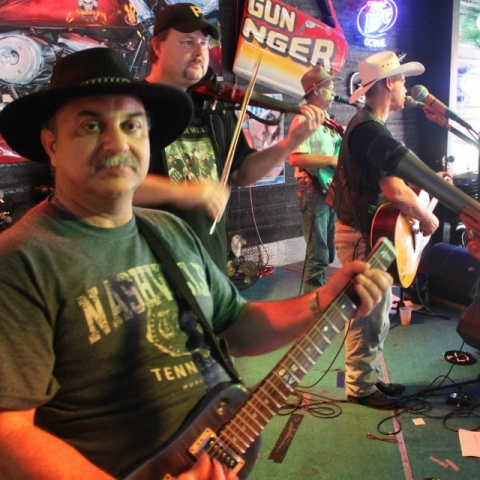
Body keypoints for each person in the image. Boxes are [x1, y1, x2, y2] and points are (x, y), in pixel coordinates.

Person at [0, 47, 393, 479]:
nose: (117, 143)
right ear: (51, 143)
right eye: (91, 125)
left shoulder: (169, 232)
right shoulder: (22, 260)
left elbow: (233, 324)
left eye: (131, 125)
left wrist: (321, 301)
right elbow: (9, 433)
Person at [134, 2, 325, 272]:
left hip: (210, 264)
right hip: (151, 266)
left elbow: (243, 173)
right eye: (187, 41)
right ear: (157, 46)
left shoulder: (214, 105)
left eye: (203, 42)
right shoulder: (131, 106)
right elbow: (110, 186)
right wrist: (186, 191)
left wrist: (290, 142)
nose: (199, 50)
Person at [326, 51, 440, 409]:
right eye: (403, 81)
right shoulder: (370, 129)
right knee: (368, 309)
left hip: (370, 232)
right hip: (363, 236)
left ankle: (368, 377)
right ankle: (359, 386)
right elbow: (394, 190)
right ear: (389, 83)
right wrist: (426, 215)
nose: (406, 88)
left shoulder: (369, 125)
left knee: (378, 307)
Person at [288, 66, 343, 293]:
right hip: (312, 189)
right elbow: (294, 158)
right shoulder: (304, 119)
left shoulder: (328, 121)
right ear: (316, 91)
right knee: (318, 254)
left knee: (327, 252)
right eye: (330, 89)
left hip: (328, 191)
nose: (334, 93)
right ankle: (309, 309)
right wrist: (331, 160)